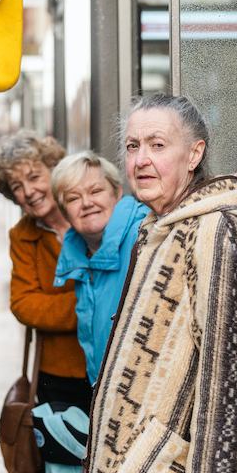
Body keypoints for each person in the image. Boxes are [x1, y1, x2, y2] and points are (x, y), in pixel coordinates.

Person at [85, 94, 237, 473]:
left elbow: (230, 391)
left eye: (157, 145)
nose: (140, 160)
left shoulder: (219, 231)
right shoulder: (163, 225)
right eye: (133, 146)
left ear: (194, 155)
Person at [0, 130, 89, 473]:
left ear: (53, 170)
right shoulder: (23, 236)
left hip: (111, 371)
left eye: (34, 176)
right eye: (17, 185)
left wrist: (60, 305)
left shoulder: (91, 213)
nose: (28, 191)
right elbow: (25, 305)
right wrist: (89, 307)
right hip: (57, 379)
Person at [51, 151, 149, 385]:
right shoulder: (80, 257)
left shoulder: (144, 237)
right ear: (65, 212)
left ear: (116, 193)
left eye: (96, 191)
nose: (86, 203)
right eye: (73, 198)